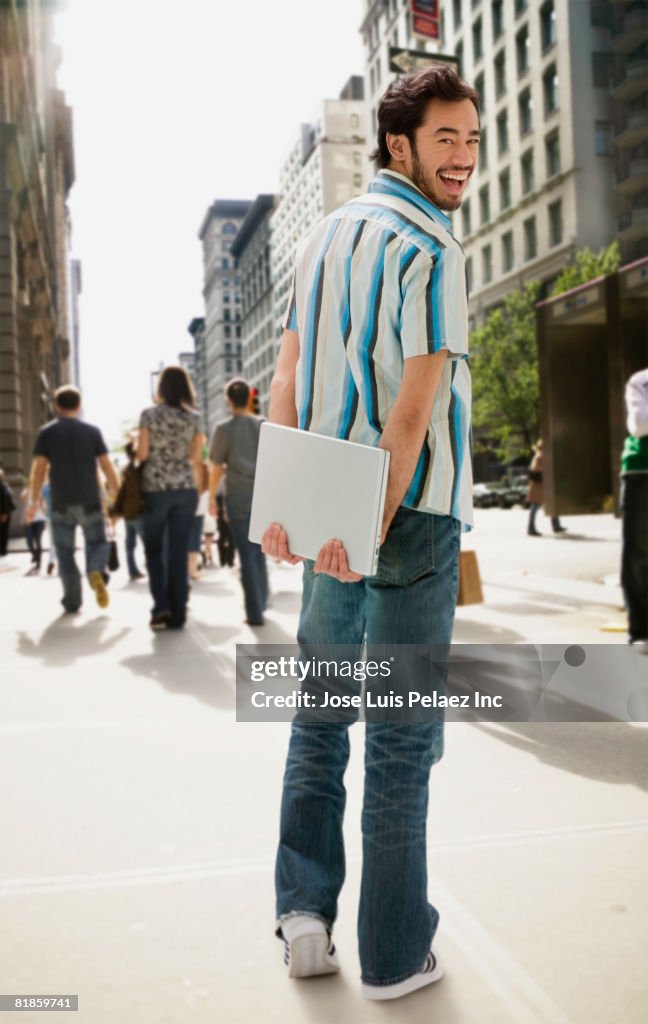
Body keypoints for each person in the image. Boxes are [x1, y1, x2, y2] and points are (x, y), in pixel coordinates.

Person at [262, 65, 478, 1000]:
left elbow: (287, 377)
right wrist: (367, 523)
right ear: (400, 144)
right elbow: (412, 416)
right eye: (446, 140)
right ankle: (393, 955)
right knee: (399, 740)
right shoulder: (431, 247)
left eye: (471, 139)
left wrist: (289, 514)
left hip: (324, 524)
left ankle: (305, 911)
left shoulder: (323, 238)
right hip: (410, 522)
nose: (464, 157)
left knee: (319, 716)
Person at [25, 385, 119, 613]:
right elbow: (106, 466)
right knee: (97, 543)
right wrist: (116, 495)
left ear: (56, 406)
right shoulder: (92, 432)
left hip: (60, 502)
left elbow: (39, 469)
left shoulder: (47, 432)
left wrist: (33, 501)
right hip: (89, 500)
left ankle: (72, 600)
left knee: (65, 553)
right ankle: (95, 570)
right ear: (79, 406)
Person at [137, 365, 204, 630]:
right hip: (185, 489)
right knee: (178, 552)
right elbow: (197, 458)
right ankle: (179, 612)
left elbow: (142, 455)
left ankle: (161, 606)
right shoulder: (194, 418)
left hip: (155, 489)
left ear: (161, 388)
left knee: (154, 551)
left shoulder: (149, 416)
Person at [209, 378, 267, 625]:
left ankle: (254, 613)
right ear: (249, 397)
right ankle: (261, 600)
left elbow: (216, 467)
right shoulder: (263, 424)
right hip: (264, 494)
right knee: (260, 551)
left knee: (245, 554)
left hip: (239, 495)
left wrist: (212, 497)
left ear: (229, 401)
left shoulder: (224, 430)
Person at [620, 367, 648, 648]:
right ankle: (641, 629)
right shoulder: (641, 381)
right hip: (642, 472)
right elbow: (639, 424)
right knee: (639, 553)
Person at [112, 440, 145, 580]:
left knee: (130, 544)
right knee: (148, 543)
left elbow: (122, 492)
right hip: (139, 511)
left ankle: (133, 571)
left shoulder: (128, 469)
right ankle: (151, 567)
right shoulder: (140, 469)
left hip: (128, 511)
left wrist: (116, 510)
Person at [526, 440, 566, 536]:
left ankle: (556, 526)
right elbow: (535, 469)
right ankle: (531, 528)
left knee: (552, 504)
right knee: (535, 507)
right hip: (538, 487)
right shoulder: (539, 457)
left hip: (542, 486)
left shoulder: (540, 456)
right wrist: (547, 468)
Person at [188, 462, 209, 581]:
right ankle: (192, 570)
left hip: (188, 509)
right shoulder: (204, 468)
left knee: (187, 540)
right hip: (198, 510)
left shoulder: (188, 467)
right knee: (194, 540)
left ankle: (190, 569)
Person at [21, 488, 46, 574]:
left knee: (38, 540)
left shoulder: (41, 490)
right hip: (29, 519)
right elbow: (21, 498)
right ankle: (35, 555)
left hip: (40, 519)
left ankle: (39, 562)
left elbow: (43, 504)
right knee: (29, 540)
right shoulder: (27, 490)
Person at [0, 467, 16, 558]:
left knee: (3, 532)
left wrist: (4, 513)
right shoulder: (5, 486)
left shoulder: (3, 486)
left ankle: (3, 550)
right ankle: (2, 550)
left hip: (3, 514)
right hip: (5, 513)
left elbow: (5, 500)